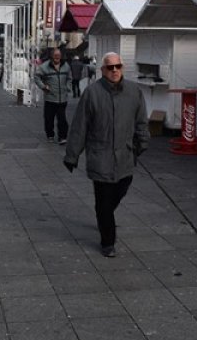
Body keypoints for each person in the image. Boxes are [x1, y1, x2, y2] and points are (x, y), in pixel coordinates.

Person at [63, 52, 149, 257]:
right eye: (110, 67)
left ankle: (105, 216)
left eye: (118, 66)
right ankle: (107, 243)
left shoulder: (134, 92)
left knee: (119, 191)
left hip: (125, 156)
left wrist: (141, 144)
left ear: (122, 67)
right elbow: (80, 126)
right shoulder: (92, 93)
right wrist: (72, 155)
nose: (114, 70)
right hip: (100, 156)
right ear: (102, 70)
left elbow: (141, 122)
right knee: (103, 201)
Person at [34, 48, 72, 144]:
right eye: (55, 56)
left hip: (62, 98)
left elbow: (69, 77)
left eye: (59, 55)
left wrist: (68, 86)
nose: (57, 57)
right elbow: (36, 77)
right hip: (50, 98)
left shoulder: (65, 66)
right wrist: (43, 86)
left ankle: (63, 137)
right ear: (51, 56)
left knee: (62, 119)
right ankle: (50, 134)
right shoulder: (44, 67)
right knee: (49, 119)